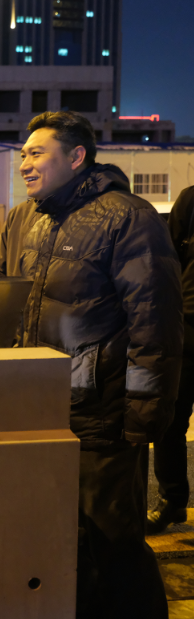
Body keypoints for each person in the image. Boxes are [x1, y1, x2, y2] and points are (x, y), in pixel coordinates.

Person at [0, 110, 182, 619]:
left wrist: (144, 409)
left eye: (37, 153)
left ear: (76, 157)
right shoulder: (23, 218)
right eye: (23, 154)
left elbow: (155, 322)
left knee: (112, 543)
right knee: (56, 539)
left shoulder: (127, 218)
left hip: (102, 414)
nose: (24, 164)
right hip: (34, 409)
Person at [147, 186, 194, 533]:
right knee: (170, 418)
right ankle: (172, 499)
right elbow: (167, 258)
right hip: (187, 325)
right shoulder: (191, 200)